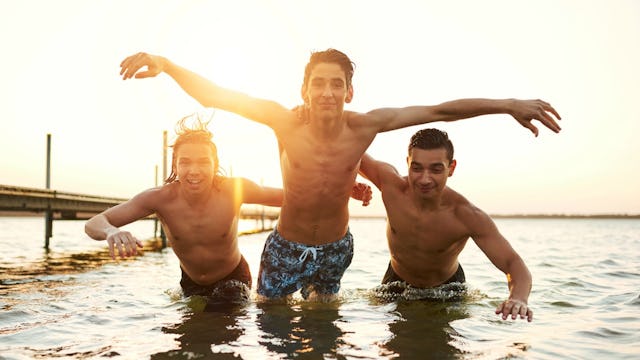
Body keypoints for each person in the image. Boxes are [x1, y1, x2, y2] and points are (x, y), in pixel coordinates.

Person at [118, 49, 561, 300]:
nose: (327, 92)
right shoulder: (284, 121)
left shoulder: (364, 126)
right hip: (286, 245)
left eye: (336, 84)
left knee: (328, 338)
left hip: (335, 248)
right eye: (318, 83)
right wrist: (169, 66)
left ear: (349, 91)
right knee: (272, 331)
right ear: (304, 90)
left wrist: (508, 105)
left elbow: (440, 110)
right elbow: (219, 96)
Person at [85, 116, 371, 305]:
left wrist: (341, 189)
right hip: (190, 283)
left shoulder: (234, 190)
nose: (194, 171)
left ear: (215, 163)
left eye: (203, 162)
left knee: (220, 324)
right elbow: (94, 223)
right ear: (175, 165)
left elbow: (293, 198)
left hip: (234, 279)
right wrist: (111, 231)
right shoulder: (159, 199)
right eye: (185, 162)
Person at [359, 128, 534, 321]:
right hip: (395, 283)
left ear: (451, 168)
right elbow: (349, 151)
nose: (425, 179)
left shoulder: (466, 215)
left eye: (436, 169)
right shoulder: (391, 186)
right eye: (416, 168)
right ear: (407, 163)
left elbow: (513, 263)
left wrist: (518, 298)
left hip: (447, 290)